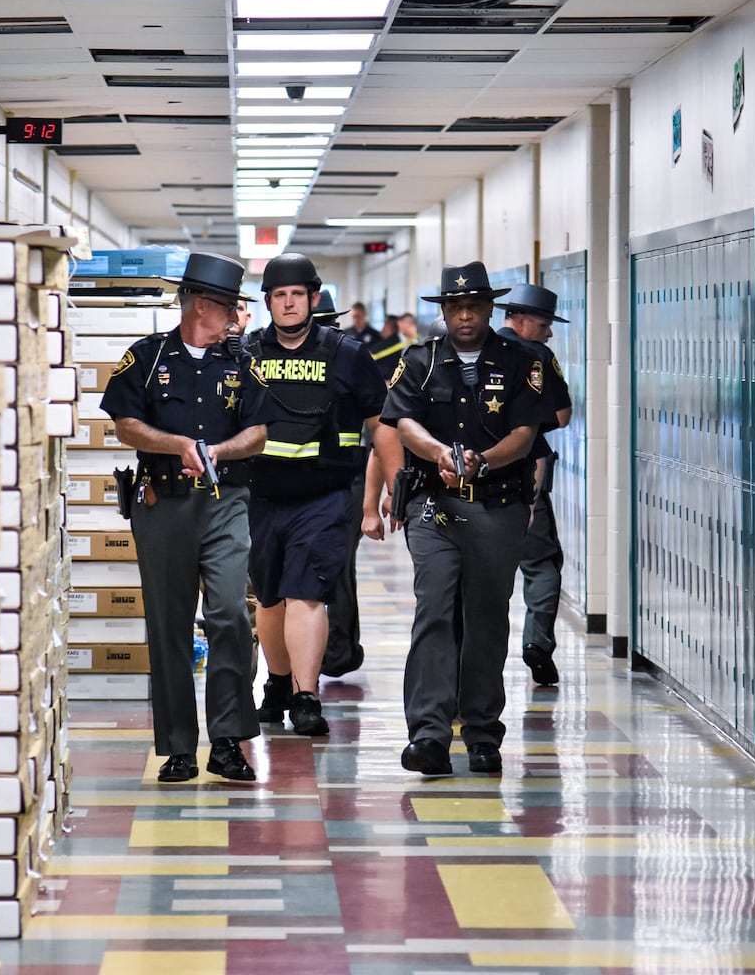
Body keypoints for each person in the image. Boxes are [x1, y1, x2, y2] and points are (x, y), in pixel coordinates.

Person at [100, 251, 276, 783]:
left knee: (230, 615)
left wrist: (222, 450)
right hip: (164, 504)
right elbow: (125, 425)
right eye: (229, 308)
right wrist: (175, 442)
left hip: (225, 503)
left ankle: (226, 742)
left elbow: (260, 432)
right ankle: (178, 746)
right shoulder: (147, 358)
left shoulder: (241, 363)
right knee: (169, 625)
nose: (236, 319)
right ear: (203, 305)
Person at [381, 261, 550, 776]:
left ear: (489, 308)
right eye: (455, 306)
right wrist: (439, 454)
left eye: (474, 305)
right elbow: (400, 422)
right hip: (434, 506)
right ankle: (428, 734)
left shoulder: (523, 361)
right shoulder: (420, 360)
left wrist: (483, 460)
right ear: (445, 311)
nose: (465, 315)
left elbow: (526, 432)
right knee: (433, 608)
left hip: (498, 506)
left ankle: (481, 732)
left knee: (485, 618)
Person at [247, 254, 389, 735]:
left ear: (313, 298)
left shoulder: (347, 354)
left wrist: (393, 485)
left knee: (307, 593)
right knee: (268, 599)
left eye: (297, 295)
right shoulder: (246, 354)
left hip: (325, 495)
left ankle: (307, 697)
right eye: (279, 296)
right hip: (261, 496)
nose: (288, 304)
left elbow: (382, 425)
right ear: (268, 302)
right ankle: (278, 684)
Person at [496, 283, 573, 687]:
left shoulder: (469, 351)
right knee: (541, 564)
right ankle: (537, 642)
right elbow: (561, 416)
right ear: (520, 320)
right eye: (544, 324)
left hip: (463, 484)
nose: (549, 333)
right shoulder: (537, 357)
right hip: (523, 475)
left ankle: (467, 661)